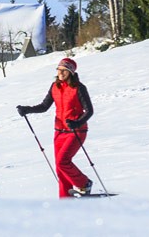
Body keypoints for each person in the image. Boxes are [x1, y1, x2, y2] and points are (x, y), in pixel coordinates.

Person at [17, 57, 96, 198]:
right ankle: (65, 199)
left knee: (63, 161)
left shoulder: (79, 88)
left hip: (76, 131)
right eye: (59, 69)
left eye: (64, 70)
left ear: (71, 72)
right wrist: (27, 109)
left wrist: (77, 123)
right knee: (60, 168)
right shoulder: (55, 86)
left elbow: (89, 110)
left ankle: (84, 183)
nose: (60, 73)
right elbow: (44, 106)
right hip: (59, 131)